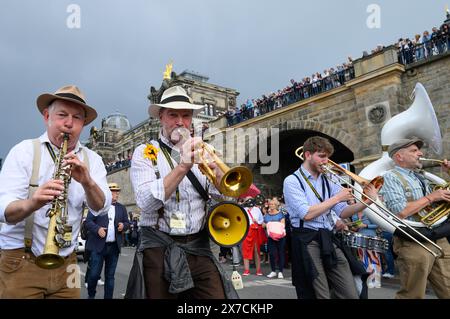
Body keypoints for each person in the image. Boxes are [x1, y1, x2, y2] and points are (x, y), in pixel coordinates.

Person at [126, 85, 238, 299]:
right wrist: (183, 166)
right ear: (161, 117)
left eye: (186, 116)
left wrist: (217, 174)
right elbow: (146, 204)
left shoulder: (204, 150)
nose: (180, 122)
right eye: (173, 115)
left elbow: (226, 195)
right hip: (159, 247)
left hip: (199, 247)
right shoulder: (145, 152)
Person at [0, 85, 111, 298]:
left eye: (77, 118)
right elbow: (3, 210)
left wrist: (88, 182)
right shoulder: (24, 151)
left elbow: (102, 208)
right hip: (21, 261)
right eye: (62, 115)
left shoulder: (93, 160)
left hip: (68, 264)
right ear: (46, 116)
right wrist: (33, 202)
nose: (69, 123)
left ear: (83, 124)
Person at [283, 136, 379, 299]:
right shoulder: (292, 181)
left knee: (351, 293)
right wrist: (336, 198)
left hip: (329, 237)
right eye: (321, 156)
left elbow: (342, 211)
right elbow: (306, 214)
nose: (326, 161)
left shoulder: (329, 178)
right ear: (307, 155)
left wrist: (366, 202)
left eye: (327, 156)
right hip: (307, 240)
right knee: (320, 293)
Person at [380, 137, 450, 299]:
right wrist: (432, 197)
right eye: (414, 151)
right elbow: (400, 212)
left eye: (418, 150)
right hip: (413, 241)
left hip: (438, 237)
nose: (421, 153)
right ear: (399, 157)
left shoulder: (421, 176)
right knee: (412, 294)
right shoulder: (391, 177)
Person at [85, 182, 130, 299]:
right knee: (94, 275)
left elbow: (127, 223)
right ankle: (91, 295)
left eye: (117, 192)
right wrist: (97, 229)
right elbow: (88, 222)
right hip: (98, 246)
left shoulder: (121, 208)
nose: (117, 194)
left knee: (110, 276)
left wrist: (123, 226)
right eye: (114, 192)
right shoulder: (97, 205)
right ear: (107, 193)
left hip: (114, 247)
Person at [264, 197, 286, 279]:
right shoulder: (266, 215)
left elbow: (283, 225)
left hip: (280, 237)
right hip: (270, 238)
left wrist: (270, 224)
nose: (271, 205)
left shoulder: (281, 214)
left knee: (281, 253)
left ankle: (280, 271)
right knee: (272, 254)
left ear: (276, 205)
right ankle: (273, 271)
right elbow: (263, 225)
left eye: (273, 204)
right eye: (270, 204)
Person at [241, 196, 264, 276]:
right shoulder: (243, 210)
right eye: (247, 200)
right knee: (246, 250)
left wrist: (256, 221)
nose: (249, 201)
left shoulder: (257, 210)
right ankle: (246, 270)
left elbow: (261, 220)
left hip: (255, 231)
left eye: (250, 199)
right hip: (246, 231)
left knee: (256, 250)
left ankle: (258, 270)